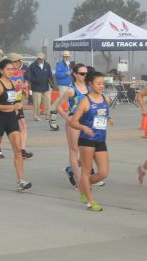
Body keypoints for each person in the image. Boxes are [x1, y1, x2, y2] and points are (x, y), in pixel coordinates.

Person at [0, 59, 32, 191]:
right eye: (8, 69)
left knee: (17, 149)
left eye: (12, 69)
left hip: (11, 118)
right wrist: (12, 106)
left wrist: (21, 93)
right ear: (1, 70)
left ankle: (21, 180)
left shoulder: (12, 83)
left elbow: (16, 100)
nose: (11, 71)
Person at [69, 71, 113, 211]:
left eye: (103, 84)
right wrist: (84, 128)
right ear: (90, 84)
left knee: (103, 173)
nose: (101, 86)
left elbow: (103, 114)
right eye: (98, 83)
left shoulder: (105, 99)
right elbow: (73, 122)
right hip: (86, 140)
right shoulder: (85, 101)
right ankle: (90, 201)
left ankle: (83, 186)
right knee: (86, 171)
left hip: (100, 140)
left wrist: (109, 118)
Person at [57, 64, 90, 192]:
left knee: (89, 151)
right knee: (74, 150)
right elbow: (59, 107)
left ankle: (71, 169)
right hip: (74, 122)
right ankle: (79, 181)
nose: (84, 76)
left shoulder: (89, 87)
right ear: (75, 74)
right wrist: (67, 118)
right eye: (82, 73)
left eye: (86, 73)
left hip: (87, 122)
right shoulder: (71, 90)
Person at [9, 53, 33, 159]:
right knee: (10, 129)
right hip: (9, 104)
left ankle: (22, 150)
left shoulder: (19, 72)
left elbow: (21, 86)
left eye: (19, 61)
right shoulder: (7, 73)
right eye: (16, 61)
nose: (19, 63)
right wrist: (15, 83)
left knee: (23, 126)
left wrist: (24, 88)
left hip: (18, 103)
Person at [51, 51, 73, 131]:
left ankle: (73, 119)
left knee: (72, 100)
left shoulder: (71, 64)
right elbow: (58, 75)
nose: (66, 57)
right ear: (63, 57)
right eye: (65, 56)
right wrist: (66, 73)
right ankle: (52, 113)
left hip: (70, 84)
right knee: (61, 100)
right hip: (63, 84)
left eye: (67, 56)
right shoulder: (60, 64)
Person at [27, 53, 53, 121]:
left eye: (41, 58)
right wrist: (35, 80)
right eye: (38, 58)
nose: (39, 59)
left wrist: (52, 84)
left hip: (45, 87)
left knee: (48, 102)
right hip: (36, 88)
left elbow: (50, 75)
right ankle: (36, 116)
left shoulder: (47, 65)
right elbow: (29, 75)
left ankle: (48, 115)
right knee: (37, 103)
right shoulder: (32, 65)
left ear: (43, 58)